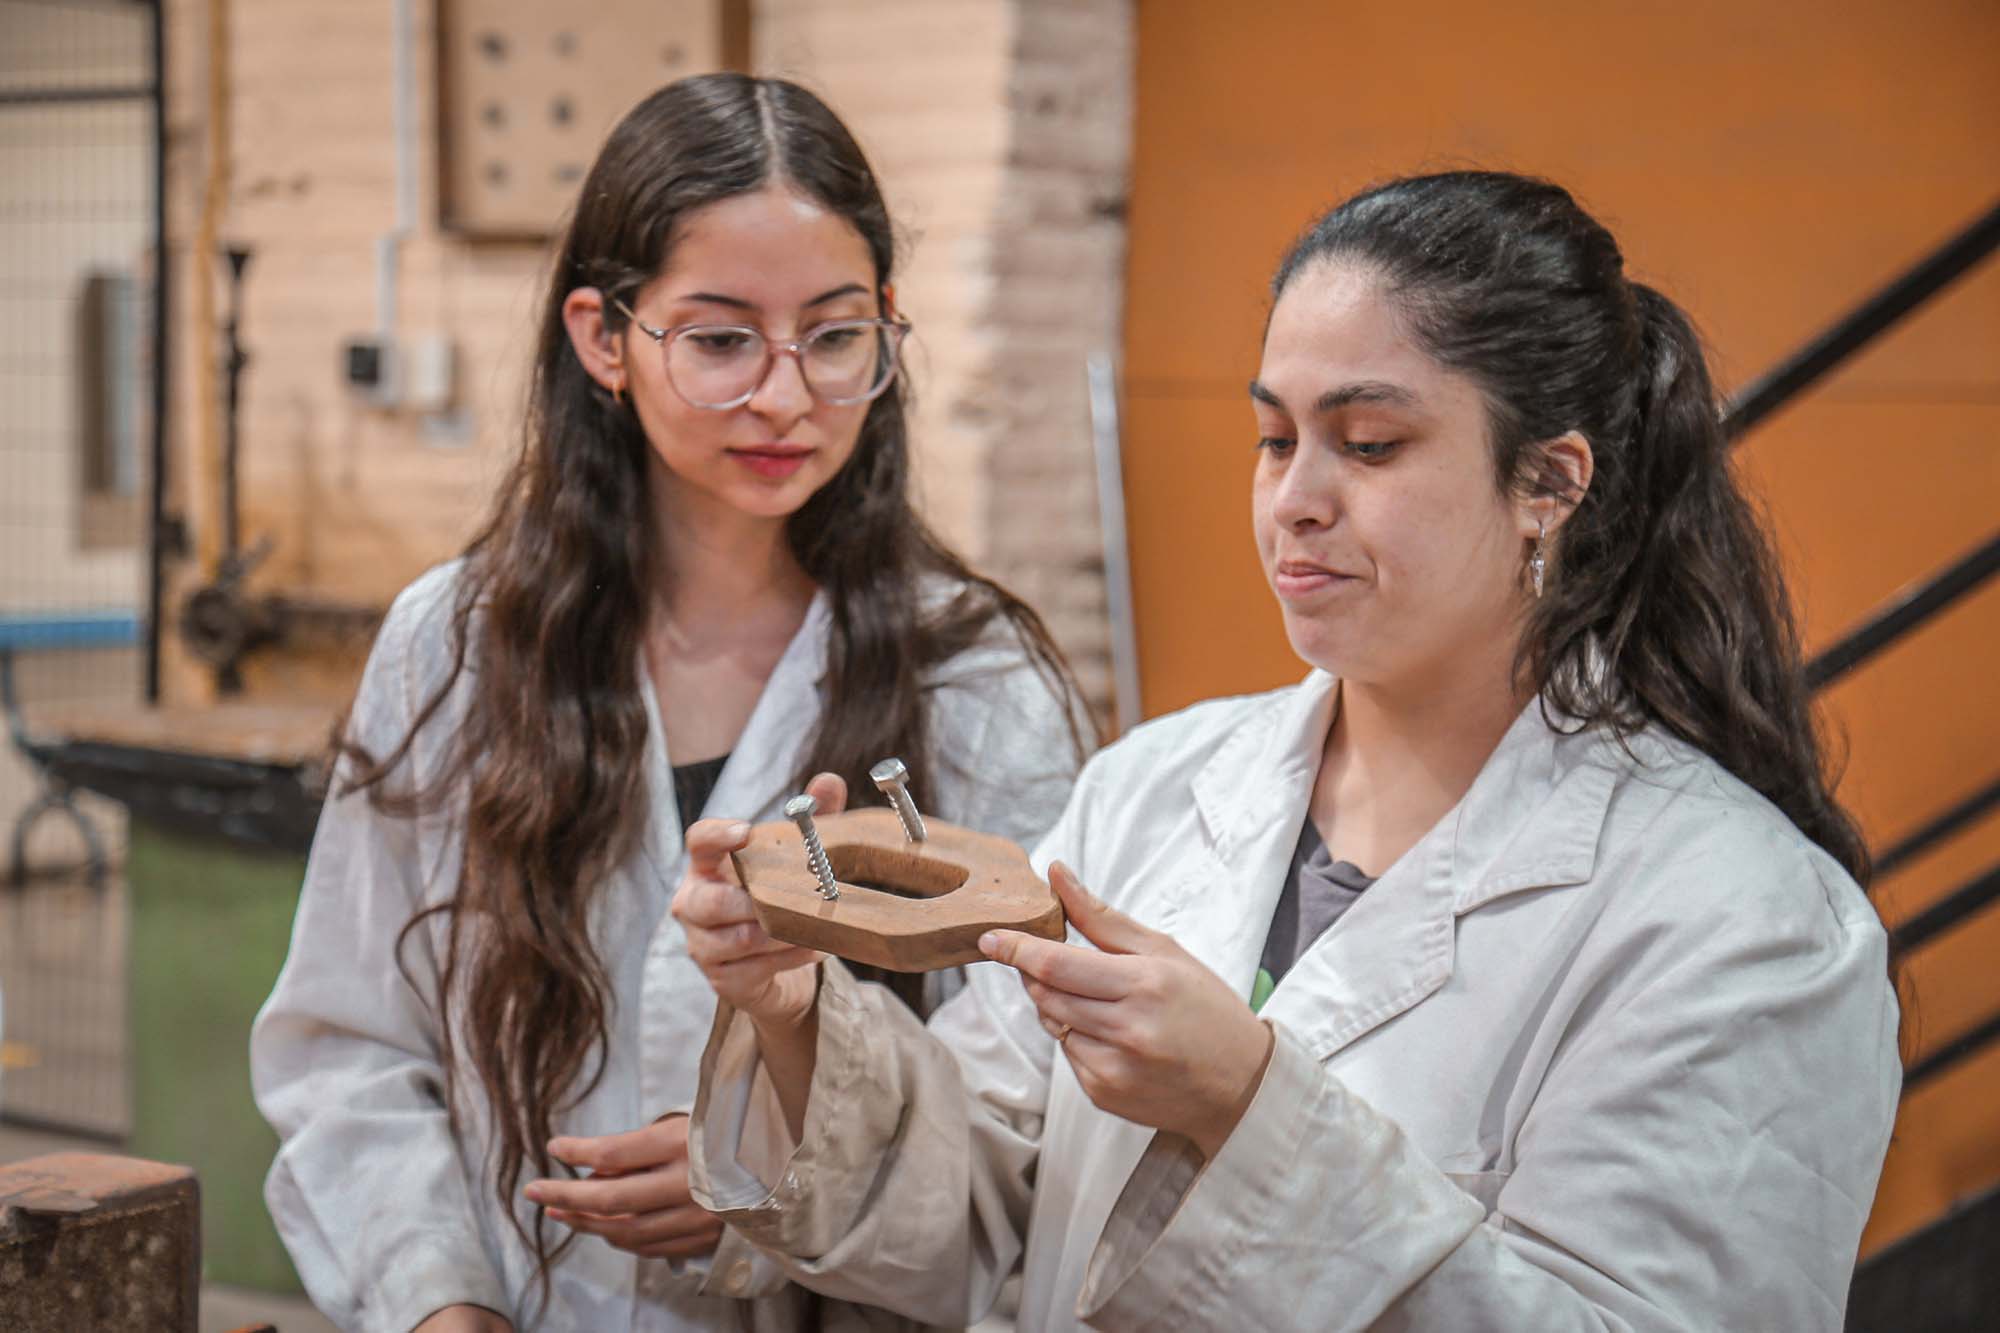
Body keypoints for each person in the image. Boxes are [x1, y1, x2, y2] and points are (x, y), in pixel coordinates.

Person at [675, 171, 1903, 1331]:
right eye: (1274, 438)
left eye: (1367, 444)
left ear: (1546, 481)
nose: (1294, 500)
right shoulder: (1155, 787)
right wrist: (794, 1017)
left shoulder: (1743, 924)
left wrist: (1246, 1106)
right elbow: (982, 1216)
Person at [250, 74, 1089, 1333]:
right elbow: (351, 1048)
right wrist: (440, 1302)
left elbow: (1032, 1103)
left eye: (834, 335)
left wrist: (785, 1180)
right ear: (604, 338)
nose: (785, 396)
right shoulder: (457, 644)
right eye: (719, 340)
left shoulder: (972, 677)